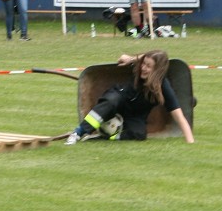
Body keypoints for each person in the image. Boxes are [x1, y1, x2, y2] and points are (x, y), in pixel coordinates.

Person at [64, 50, 195, 145]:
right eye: (143, 64)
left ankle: (103, 137)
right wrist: (131, 59)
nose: (143, 68)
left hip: (136, 114)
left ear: (157, 70)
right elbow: (138, 57)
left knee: (139, 134)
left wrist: (190, 141)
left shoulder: (164, 87)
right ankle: (78, 133)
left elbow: (179, 116)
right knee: (111, 101)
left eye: (148, 66)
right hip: (120, 98)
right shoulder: (140, 68)